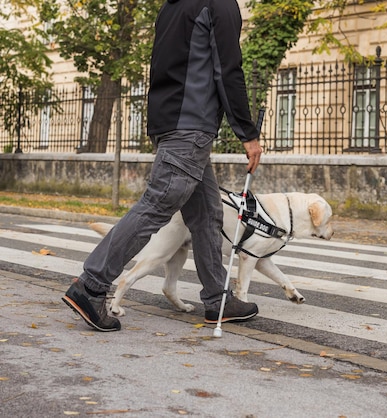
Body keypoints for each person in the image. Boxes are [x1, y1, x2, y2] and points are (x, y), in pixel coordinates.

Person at [62, 0, 263, 332]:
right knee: (156, 206)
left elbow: (162, 68)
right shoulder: (219, 4)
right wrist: (248, 132)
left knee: (207, 214)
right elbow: (228, 68)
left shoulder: (172, 7)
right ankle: (91, 284)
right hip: (190, 126)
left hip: (171, 123)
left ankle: (217, 300)